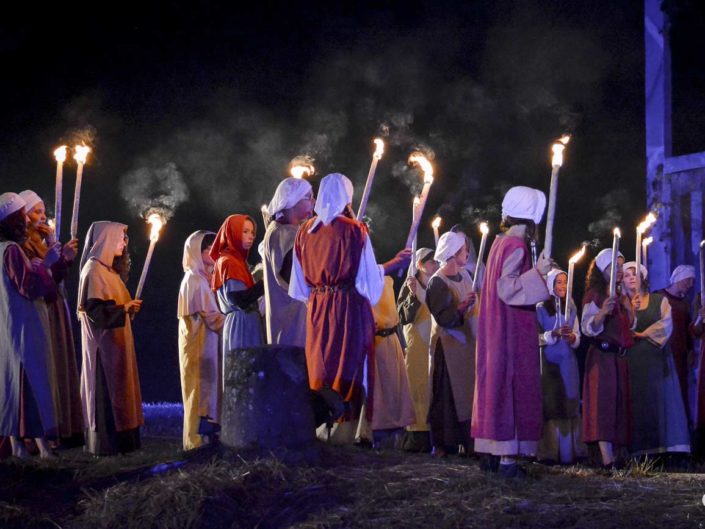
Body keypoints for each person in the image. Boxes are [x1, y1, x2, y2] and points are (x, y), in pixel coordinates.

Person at [289, 173, 410, 443]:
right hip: (349, 306)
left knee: (321, 364)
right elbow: (367, 282)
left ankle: (321, 431)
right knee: (350, 363)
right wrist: (392, 265)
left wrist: (321, 294)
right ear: (348, 197)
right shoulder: (355, 230)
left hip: (318, 309)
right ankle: (351, 433)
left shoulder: (304, 233)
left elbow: (299, 287)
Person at [472, 186, 551, 478]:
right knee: (511, 384)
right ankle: (506, 460)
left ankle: (493, 452)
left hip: (497, 326)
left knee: (496, 384)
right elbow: (508, 288)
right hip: (510, 329)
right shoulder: (515, 246)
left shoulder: (498, 243)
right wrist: (539, 273)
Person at [19, 189, 83, 446]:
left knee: (59, 362)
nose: (42, 217)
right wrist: (56, 260)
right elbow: (38, 280)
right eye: (36, 211)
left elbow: (55, 277)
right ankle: (39, 437)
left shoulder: (41, 242)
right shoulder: (23, 245)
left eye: (44, 211)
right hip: (39, 309)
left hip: (54, 305)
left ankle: (64, 426)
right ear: (23, 216)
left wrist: (63, 259)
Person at [0, 192, 58, 458]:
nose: (28, 219)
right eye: (23, 215)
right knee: (28, 381)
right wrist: (45, 266)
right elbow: (29, 287)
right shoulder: (11, 250)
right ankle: (38, 447)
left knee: (12, 384)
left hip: (8, 323)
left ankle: (17, 447)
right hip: (21, 323)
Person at [78, 221, 144, 456]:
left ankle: (126, 444)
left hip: (117, 346)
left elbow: (115, 308)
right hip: (104, 351)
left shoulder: (109, 272)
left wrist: (128, 310)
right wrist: (123, 309)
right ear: (105, 240)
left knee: (123, 393)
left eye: (125, 238)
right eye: (119, 237)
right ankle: (108, 446)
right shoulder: (94, 270)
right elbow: (96, 312)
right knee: (107, 396)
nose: (124, 243)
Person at [622, 262, 690, 460]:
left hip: (656, 359)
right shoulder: (621, 304)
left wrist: (644, 333)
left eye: (635, 273)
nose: (631, 277)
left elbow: (666, 324)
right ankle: (638, 452)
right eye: (626, 275)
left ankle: (667, 452)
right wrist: (630, 313)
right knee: (637, 404)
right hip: (632, 361)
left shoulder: (659, 300)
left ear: (643, 277)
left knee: (661, 404)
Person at [580, 249, 634, 468]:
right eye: (616, 266)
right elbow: (587, 327)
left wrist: (630, 310)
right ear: (604, 269)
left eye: (621, 266)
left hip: (617, 358)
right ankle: (606, 458)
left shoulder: (621, 296)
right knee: (603, 404)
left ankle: (619, 455)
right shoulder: (595, 294)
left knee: (618, 404)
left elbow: (628, 328)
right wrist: (602, 312)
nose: (620, 271)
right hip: (601, 358)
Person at [426, 231, 477, 457]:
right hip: (448, 349)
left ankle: (471, 442)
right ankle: (444, 445)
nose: (467, 253)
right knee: (448, 397)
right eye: (463, 249)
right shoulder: (437, 281)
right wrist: (461, 307)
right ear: (453, 253)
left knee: (468, 396)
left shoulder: (466, 276)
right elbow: (443, 317)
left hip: (467, 348)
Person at [178, 230, 225, 450]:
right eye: (208, 248)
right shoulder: (195, 280)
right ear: (197, 251)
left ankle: (209, 436)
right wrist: (239, 321)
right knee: (199, 389)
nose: (213, 252)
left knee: (209, 389)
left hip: (209, 344)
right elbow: (212, 318)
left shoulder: (206, 277)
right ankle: (195, 441)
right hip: (199, 345)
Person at [536, 269, 586, 464]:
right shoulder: (541, 307)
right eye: (558, 282)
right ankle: (549, 452)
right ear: (550, 285)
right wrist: (553, 334)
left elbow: (577, 333)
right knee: (551, 403)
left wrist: (571, 337)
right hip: (549, 362)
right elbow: (536, 337)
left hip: (567, 361)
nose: (562, 286)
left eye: (565, 282)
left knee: (569, 402)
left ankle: (570, 453)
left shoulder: (571, 305)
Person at [263, 177, 314, 347]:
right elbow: (292, 276)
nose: (313, 202)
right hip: (292, 324)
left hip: (290, 322)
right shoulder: (285, 233)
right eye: (309, 197)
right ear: (293, 200)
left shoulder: (281, 230)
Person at [397, 247, 438, 452]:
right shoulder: (410, 285)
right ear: (420, 264)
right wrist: (413, 295)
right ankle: (415, 436)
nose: (435, 265)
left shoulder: (436, 285)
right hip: (416, 346)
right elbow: (404, 316)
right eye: (431, 262)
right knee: (416, 387)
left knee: (431, 387)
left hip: (433, 344)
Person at [210, 215, 264, 354]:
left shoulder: (236, 260)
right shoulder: (229, 261)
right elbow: (239, 299)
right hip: (242, 325)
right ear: (232, 232)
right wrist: (264, 284)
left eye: (252, 232)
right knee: (245, 370)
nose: (251, 236)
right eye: (245, 231)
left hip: (245, 322)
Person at [657, 265, 696, 423]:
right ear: (679, 278)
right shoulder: (658, 297)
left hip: (680, 353)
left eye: (693, 282)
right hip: (662, 351)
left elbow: (688, 331)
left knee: (680, 390)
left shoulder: (686, 304)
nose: (690, 285)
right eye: (688, 280)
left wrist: (691, 351)